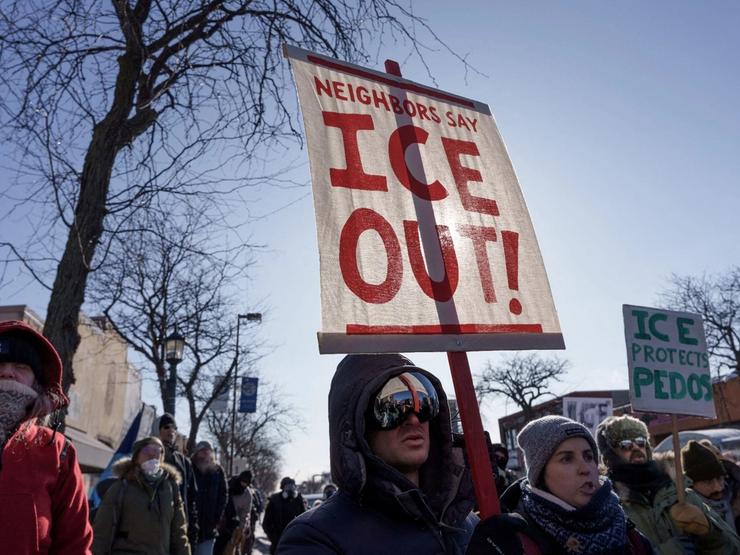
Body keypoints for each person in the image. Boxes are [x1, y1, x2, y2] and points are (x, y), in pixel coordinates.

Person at [278, 353, 477, 554]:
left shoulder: (468, 523)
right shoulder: (314, 538)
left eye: (424, 402)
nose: (414, 420)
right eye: (393, 407)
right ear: (356, 428)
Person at [469, 415, 653, 554]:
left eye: (589, 457)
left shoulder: (628, 533)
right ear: (540, 474)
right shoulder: (505, 540)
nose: (585, 468)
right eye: (567, 458)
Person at [0, 319, 93, 554]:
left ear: (37, 381)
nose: (7, 372)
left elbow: (75, 544)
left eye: (21, 367)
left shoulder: (58, 451)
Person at [596, 414, 740, 553]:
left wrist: (709, 532)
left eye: (640, 442)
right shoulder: (607, 505)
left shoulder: (679, 490)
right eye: (625, 445)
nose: (636, 448)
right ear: (610, 455)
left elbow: (733, 547)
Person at [91, 436, 190, 555]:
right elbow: (102, 531)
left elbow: (179, 533)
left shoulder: (171, 489)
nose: (153, 455)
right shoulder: (121, 487)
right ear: (136, 457)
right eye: (148, 450)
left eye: (158, 451)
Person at [159, 412, 200, 545]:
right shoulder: (149, 454)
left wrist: (193, 526)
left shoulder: (184, 461)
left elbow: (192, 495)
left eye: (174, 428)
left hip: (179, 525)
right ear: (158, 430)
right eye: (166, 427)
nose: (171, 431)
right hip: (156, 525)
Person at [683, 440, 737, 533]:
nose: (718, 488)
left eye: (720, 478)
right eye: (707, 482)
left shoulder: (734, 497)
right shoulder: (686, 517)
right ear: (691, 484)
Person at [192, 440, 228, 555]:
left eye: (208, 451)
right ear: (197, 453)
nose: (205, 454)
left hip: (209, 528)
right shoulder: (189, 467)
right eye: (202, 451)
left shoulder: (218, 471)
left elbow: (223, 494)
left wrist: (217, 516)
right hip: (190, 526)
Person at [214, 470, 253, 555]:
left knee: (229, 550)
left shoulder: (247, 495)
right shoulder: (228, 484)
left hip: (233, 526)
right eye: (243, 482)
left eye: (246, 483)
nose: (243, 485)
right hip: (219, 521)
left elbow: (245, 514)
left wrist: (240, 529)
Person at [263, 476, 306, 553]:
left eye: (292, 486)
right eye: (287, 486)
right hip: (278, 544)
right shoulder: (274, 501)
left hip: (295, 543)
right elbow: (266, 524)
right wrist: (275, 539)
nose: (290, 489)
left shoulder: (298, 499)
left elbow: (305, 520)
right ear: (282, 488)